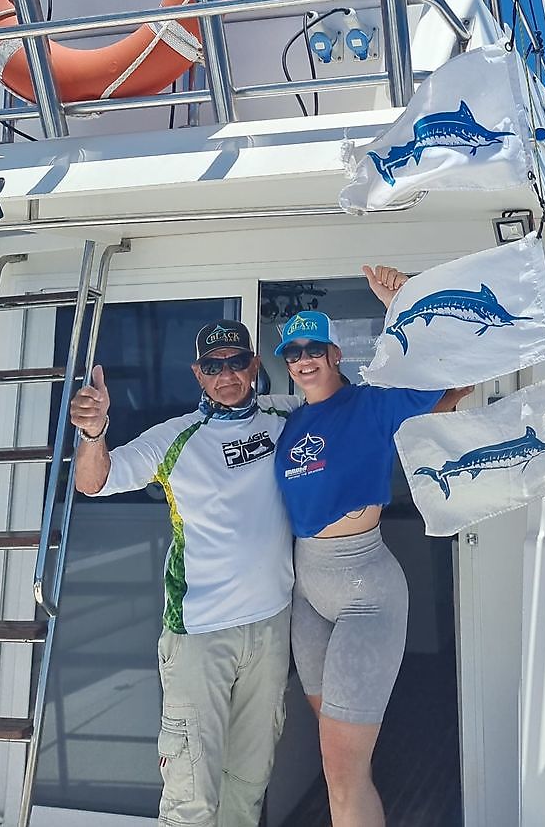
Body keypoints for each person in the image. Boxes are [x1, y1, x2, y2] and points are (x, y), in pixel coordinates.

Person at [70, 319, 293, 827]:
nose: (226, 374)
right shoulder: (175, 438)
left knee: (248, 785)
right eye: (213, 366)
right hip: (199, 635)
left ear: (255, 365)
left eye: (237, 361)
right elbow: (94, 480)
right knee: (190, 797)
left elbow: (349, 414)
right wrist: (94, 432)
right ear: (197, 373)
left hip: (271, 626)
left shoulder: (287, 414)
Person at [273, 263, 471, 827]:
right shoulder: (289, 424)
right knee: (338, 757)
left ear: (335, 354)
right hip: (308, 592)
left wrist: (401, 307)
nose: (304, 359)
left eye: (314, 348)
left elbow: (445, 380)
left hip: (365, 591)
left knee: (342, 771)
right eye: (293, 352)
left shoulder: (371, 403)